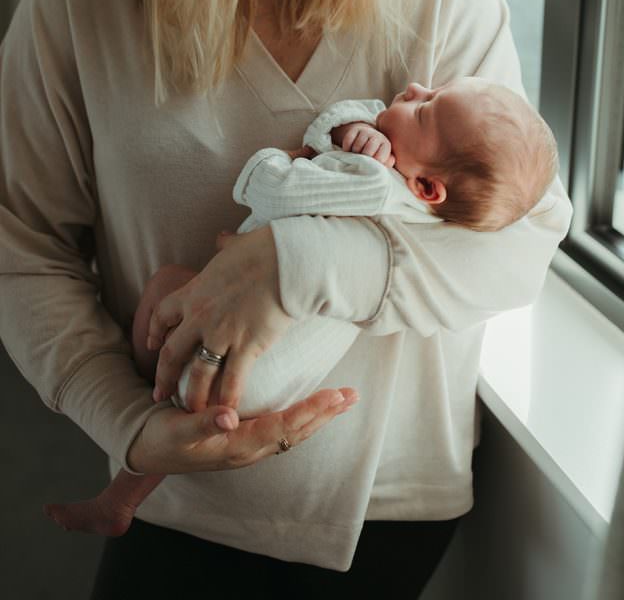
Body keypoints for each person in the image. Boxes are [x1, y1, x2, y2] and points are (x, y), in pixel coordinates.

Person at [0, 0, 572, 598]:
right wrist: (127, 424)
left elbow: (517, 240)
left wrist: (296, 265)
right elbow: (21, 249)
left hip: (387, 508)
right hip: (176, 492)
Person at [43, 76, 559, 537]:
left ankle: (128, 456)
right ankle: (122, 499)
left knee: (166, 292)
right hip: (277, 377)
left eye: (425, 109)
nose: (417, 88)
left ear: (426, 186)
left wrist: (287, 160)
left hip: (247, 360)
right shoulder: (426, 210)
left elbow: (267, 189)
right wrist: (356, 129)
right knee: (181, 411)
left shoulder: (375, 183)